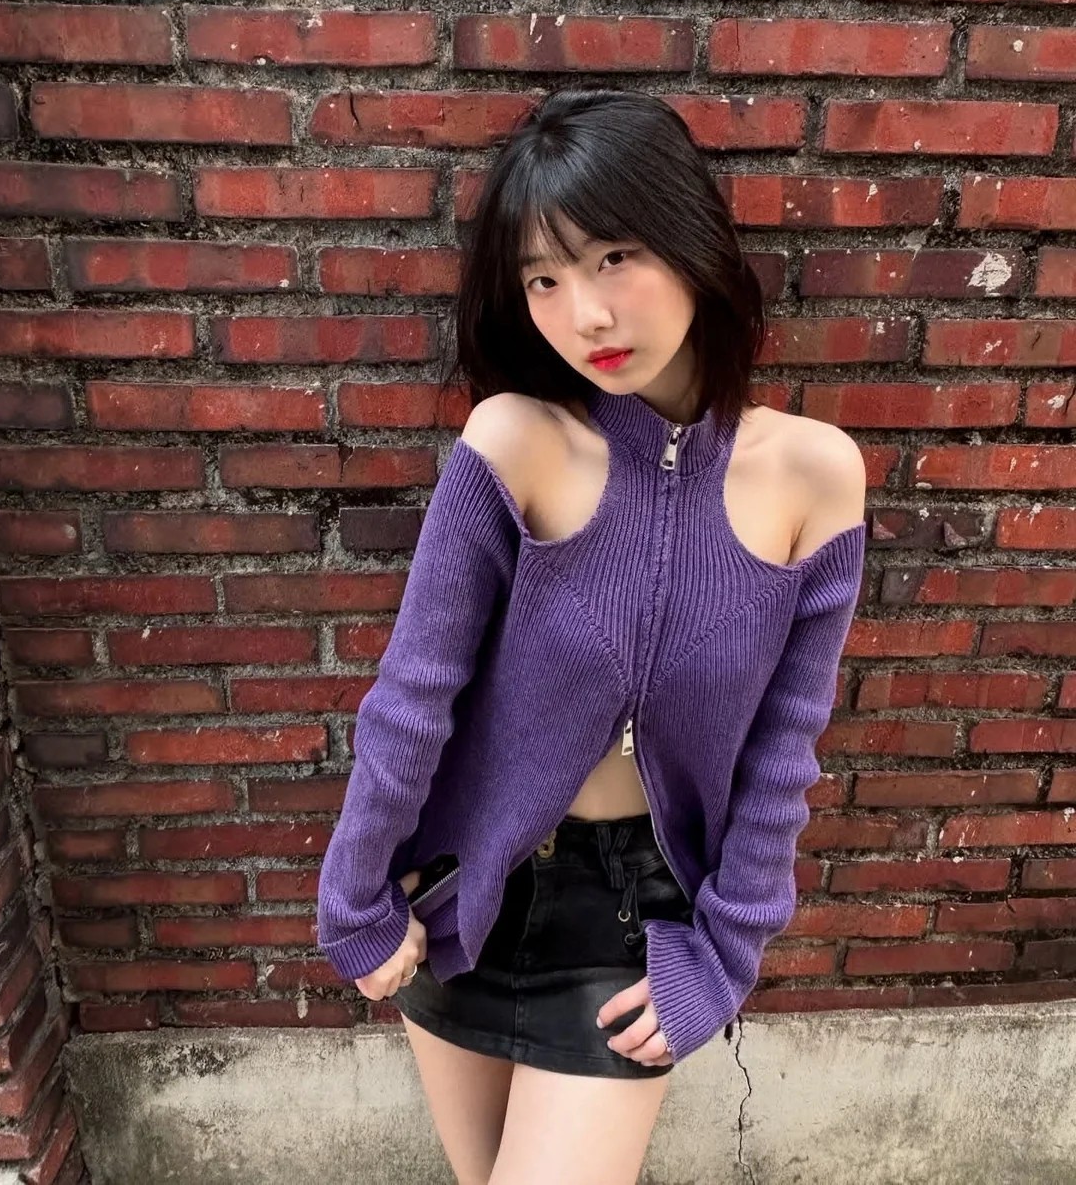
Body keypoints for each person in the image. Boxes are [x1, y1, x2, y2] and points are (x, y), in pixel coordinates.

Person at [316, 87, 867, 1185]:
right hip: (468, 889)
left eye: (615, 257)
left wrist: (725, 953)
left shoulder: (816, 475)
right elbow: (414, 695)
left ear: (692, 240)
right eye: (545, 279)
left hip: (635, 916)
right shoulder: (514, 441)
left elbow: (783, 753)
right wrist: (354, 897)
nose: (586, 316)